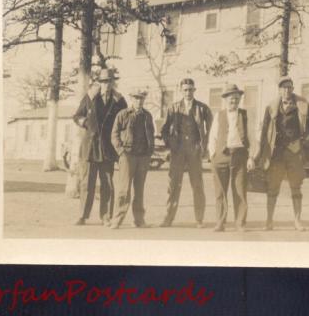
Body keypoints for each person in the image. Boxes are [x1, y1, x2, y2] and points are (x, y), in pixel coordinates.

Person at [251, 76, 309, 231]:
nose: (286, 90)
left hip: (295, 153)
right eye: (283, 87)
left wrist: (305, 141)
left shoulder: (303, 105)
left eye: (289, 87)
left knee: (296, 187)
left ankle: (297, 221)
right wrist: (259, 154)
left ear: (293, 89)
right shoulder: (271, 107)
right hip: (277, 154)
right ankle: (269, 220)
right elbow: (264, 131)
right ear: (279, 90)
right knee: (272, 187)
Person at [72, 67, 127, 226]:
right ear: (99, 82)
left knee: (107, 183)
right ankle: (83, 215)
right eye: (103, 81)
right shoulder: (90, 97)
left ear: (113, 82)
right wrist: (85, 123)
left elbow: (125, 120)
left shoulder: (119, 100)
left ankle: (106, 216)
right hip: (90, 146)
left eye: (109, 81)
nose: (106, 84)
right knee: (87, 183)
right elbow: (77, 116)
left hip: (108, 148)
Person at [160, 77, 213, 228]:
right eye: (185, 90)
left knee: (197, 186)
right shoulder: (173, 108)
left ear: (194, 90)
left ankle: (199, 219)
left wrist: (204, 145)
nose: (188, 92)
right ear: (181, 91)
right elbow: (164, 130)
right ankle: (168, 218)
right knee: (173, 186)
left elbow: (212, 128)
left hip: (194, 153)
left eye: (190, 89)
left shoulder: (202, 108)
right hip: (178, 153)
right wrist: (171, 144)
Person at [110, 88, 155, 229]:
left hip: (143, 157)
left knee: (139, 189)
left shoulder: (147, 116)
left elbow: (151, 134)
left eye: (141, 98)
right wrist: (121, 151)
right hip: (128, 156)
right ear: (132, 99)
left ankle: (139, 220)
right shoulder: (123, 114)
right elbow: (114, 134)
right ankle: (117, 219)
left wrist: (149, 152)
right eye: (136, 98)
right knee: (124, 189)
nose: (139, 101)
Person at [208, 83, 250, 232]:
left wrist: (250, 156)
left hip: (239, 156)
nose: (234, 101)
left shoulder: (244, 115)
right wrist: (213, 155)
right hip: (221, 156)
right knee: (220, 191)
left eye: (237, 99)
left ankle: (240, 223)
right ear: (225, 100)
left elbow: (250, 136)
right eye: (231, 99)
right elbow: (212, 136)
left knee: (239, 190)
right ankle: (220, 222)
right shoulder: (219, 115)